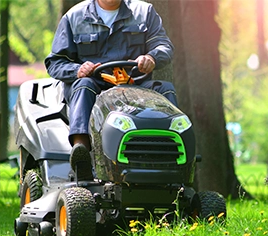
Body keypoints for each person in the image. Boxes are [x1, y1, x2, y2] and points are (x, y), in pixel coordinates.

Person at [45, 0, 177, 180]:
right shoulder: (74, 17)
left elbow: (164, 46)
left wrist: (152, 57)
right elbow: (55, 62)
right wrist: (78, 70)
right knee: (84, 86)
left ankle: (168, 154)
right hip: (95, 86)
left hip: (135, 86)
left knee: (165, 90)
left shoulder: (144, 12)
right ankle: (81, 152)